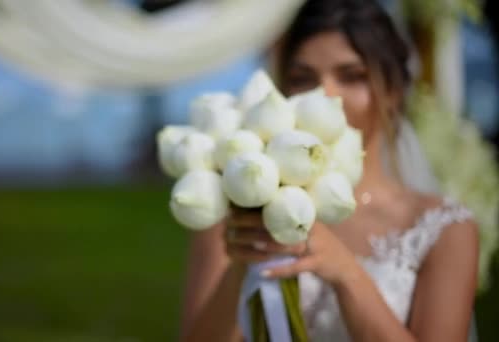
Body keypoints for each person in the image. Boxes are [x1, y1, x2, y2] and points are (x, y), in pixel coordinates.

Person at [179, 0, 479, 341]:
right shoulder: (238, 208)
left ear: (394, 90)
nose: (324, 95)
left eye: (352, 76)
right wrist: (239, 269)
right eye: (302, 78)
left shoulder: (444, 228)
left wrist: (345, 272)